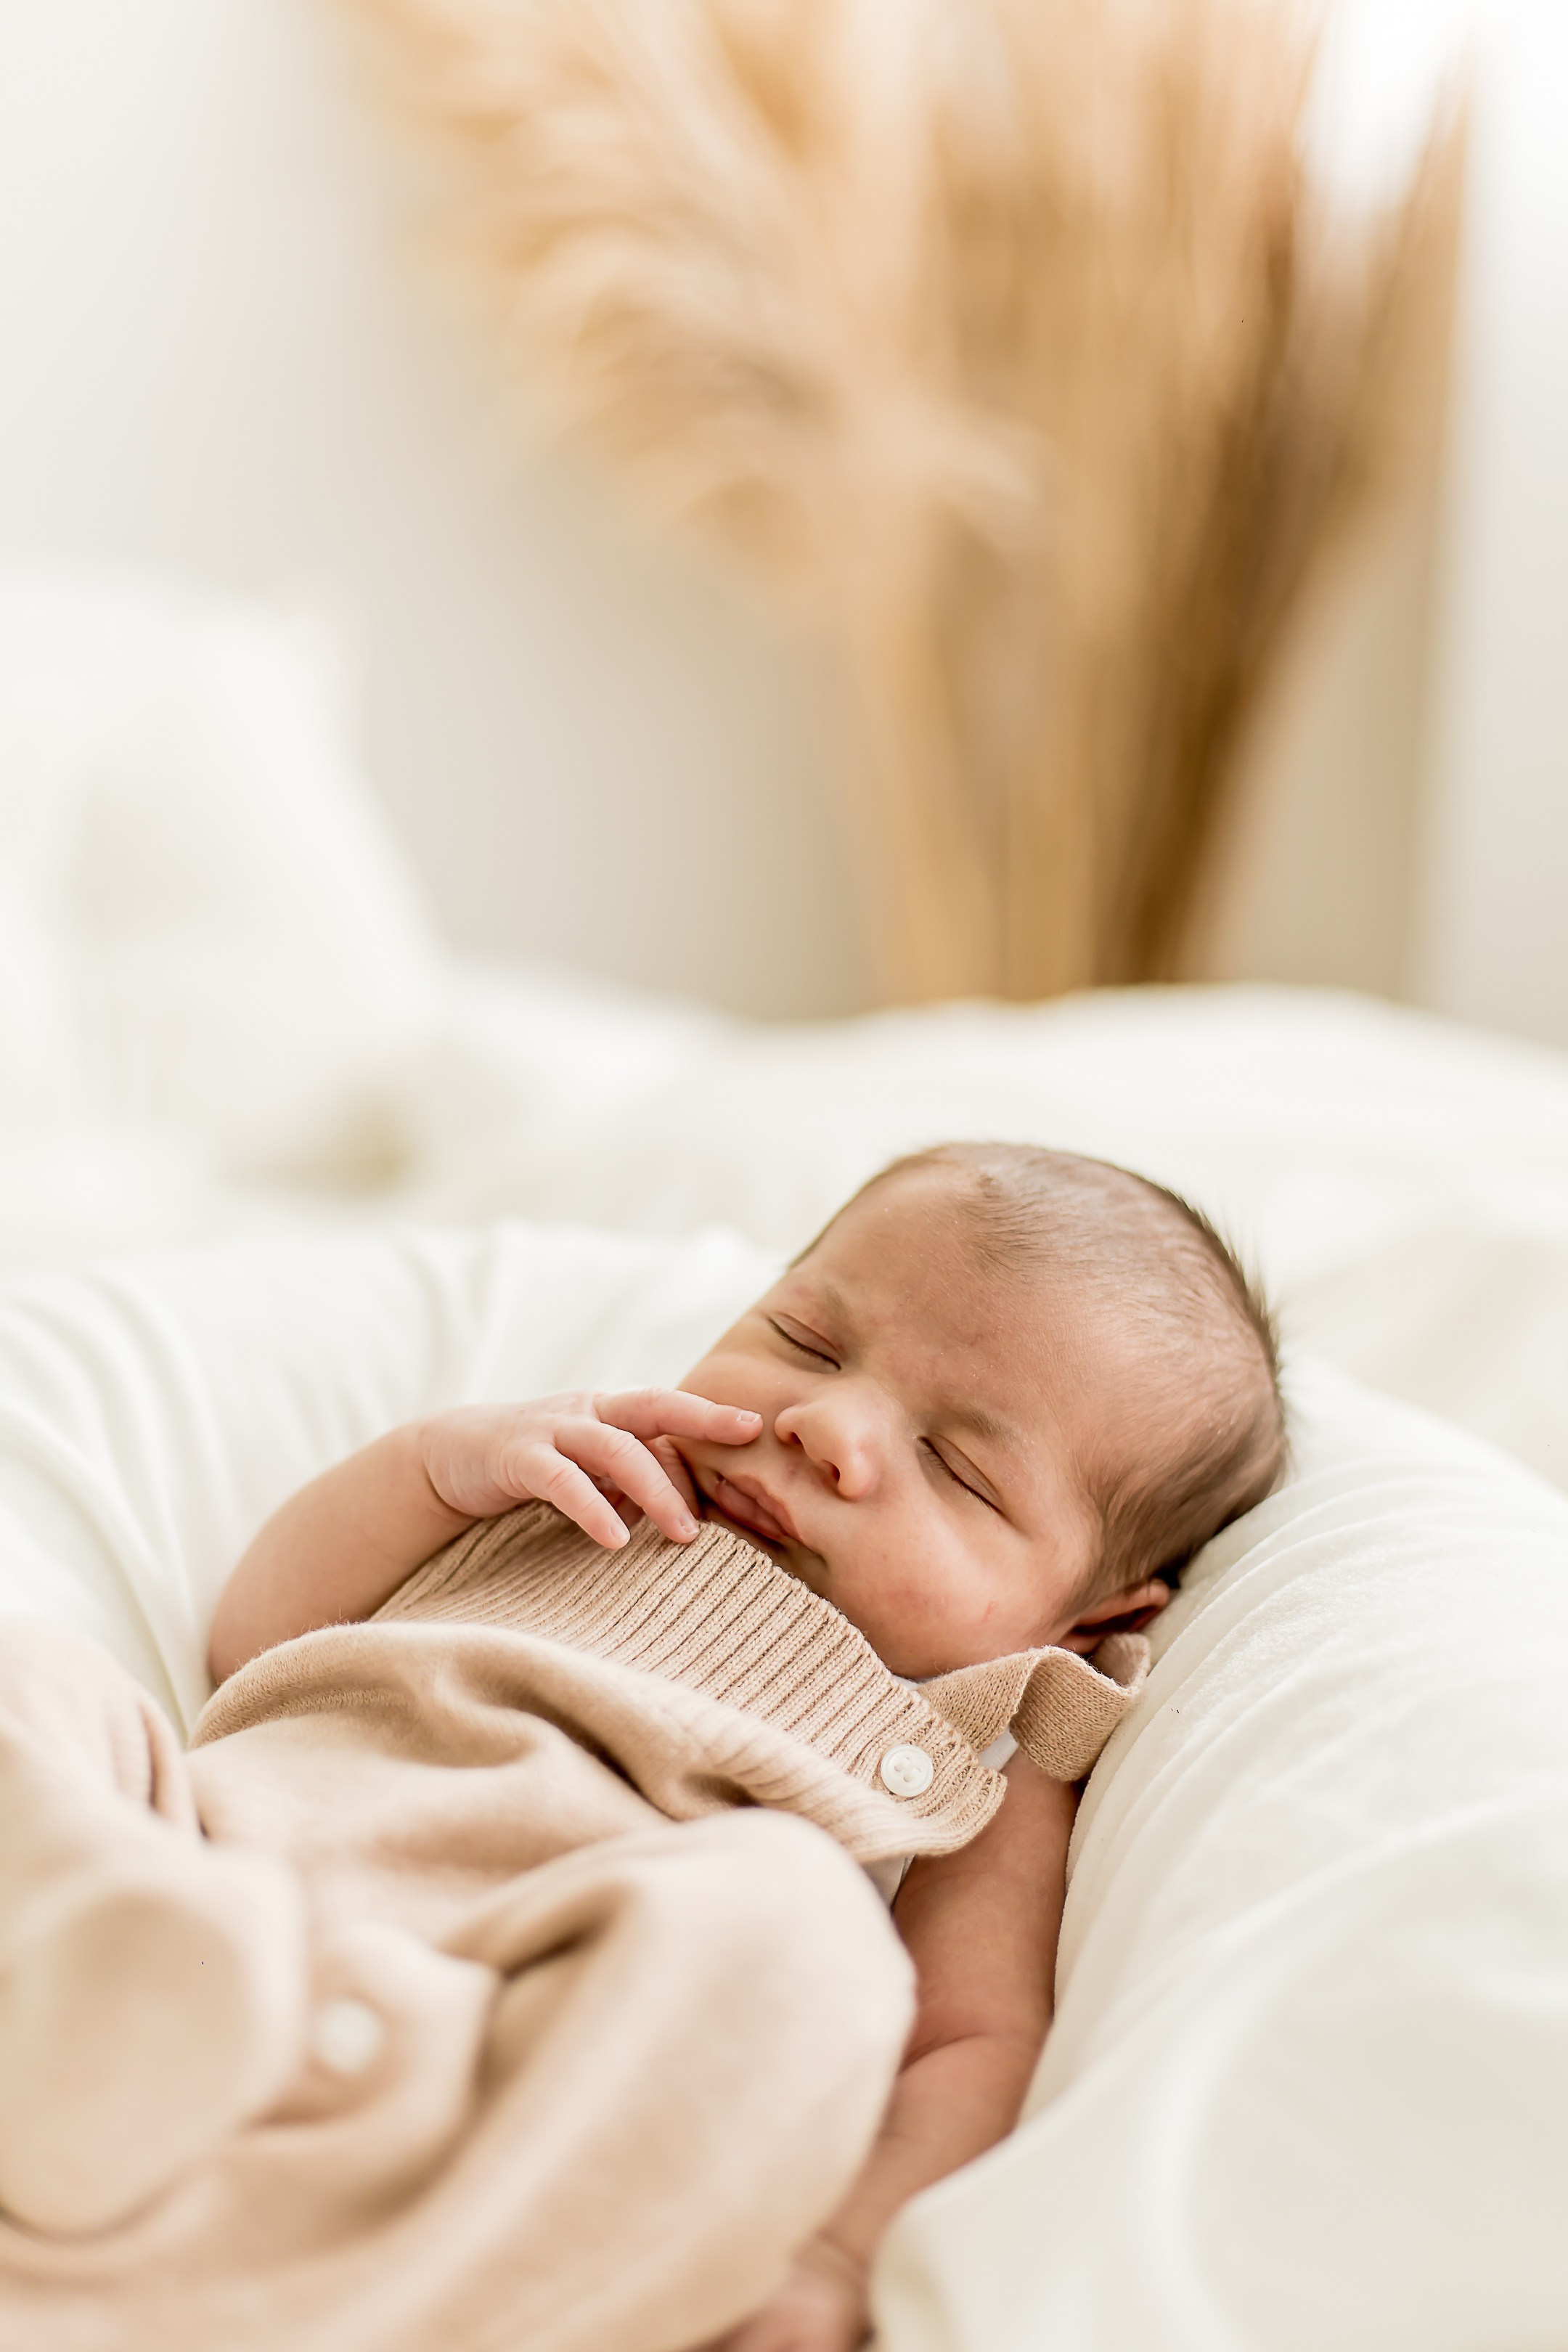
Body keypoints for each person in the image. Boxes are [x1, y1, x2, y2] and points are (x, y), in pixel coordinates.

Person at [0, 1144, 1283, 2352]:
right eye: (807, 1340)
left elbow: (968, 2042)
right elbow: (254, 1643)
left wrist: (839, 2257)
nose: (828, 1425)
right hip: (203, 1882)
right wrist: (433, 1476)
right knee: (38, 1675)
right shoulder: (577, 1484)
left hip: (504, 2062)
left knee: (800, 1932)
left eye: (958, 1467)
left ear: (1091, 1615)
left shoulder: (993, 1743)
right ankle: (109, 2023)